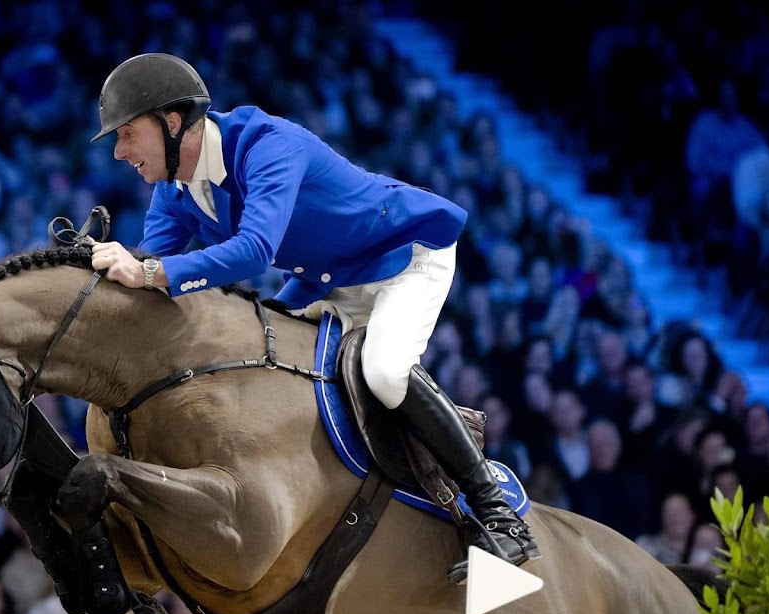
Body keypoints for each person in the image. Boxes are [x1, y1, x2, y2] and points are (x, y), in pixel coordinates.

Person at [86, 53, 539, 573]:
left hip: (404, 258)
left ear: (170, 122)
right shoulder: (174, 193)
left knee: (385, 372)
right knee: (264, 356)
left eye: (126, 134)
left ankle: (499, 514)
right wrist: (93, 271)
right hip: (330, 278)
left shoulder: (266, 144)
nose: (120, 152)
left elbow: (253, 249)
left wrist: (149, 273)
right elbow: (148, 269)